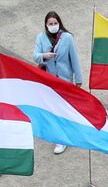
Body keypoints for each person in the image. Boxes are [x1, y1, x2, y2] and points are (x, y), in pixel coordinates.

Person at [32, 12, 83, 154]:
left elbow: (74, 58)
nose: (53, 26)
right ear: (46, 25)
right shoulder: (41, 38)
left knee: (65, 108)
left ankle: (67, 134)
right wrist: (44, 56)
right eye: (50, 24)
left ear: (59, 23)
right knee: (55, 110)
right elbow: (35, 56)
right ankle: (60, 139)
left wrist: (78, 79)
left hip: (65, 80)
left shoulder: (67, 38)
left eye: (55, 23)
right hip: (49, 80)